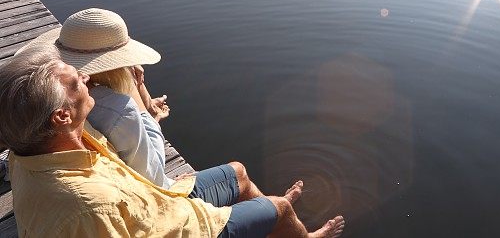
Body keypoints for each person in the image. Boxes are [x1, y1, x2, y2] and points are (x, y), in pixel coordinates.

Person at [0, 43, 345, 238]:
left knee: (238, 172)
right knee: (281, 208)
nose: (86, 76)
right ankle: (300, 233)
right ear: (61, 115)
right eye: (77, 80)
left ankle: (267, 222)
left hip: (162, 201)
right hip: (184, 228)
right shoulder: (87, 208)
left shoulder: (41, 147)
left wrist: (143, 97)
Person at [18, 8, 176, 188]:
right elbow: (154, 176)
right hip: (144, 201)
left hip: (43, 186)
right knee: (217, 176)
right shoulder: (115, 108)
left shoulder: (33, 95)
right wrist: (151, 119)